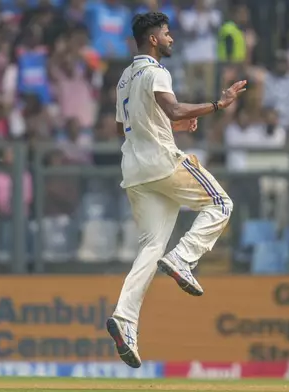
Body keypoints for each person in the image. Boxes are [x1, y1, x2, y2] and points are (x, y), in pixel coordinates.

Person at [107, 12, 246, 369]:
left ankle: (124, 318)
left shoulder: (124, 79)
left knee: (151, 248)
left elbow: (139, 123)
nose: (171, 39)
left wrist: (176, 125)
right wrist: (218, 104)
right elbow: (172, 107)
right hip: (162, 164)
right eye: (167, 34)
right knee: (221, 203)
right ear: (153, 39)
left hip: (135, 172)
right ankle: (183, 258)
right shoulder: (156, 71)